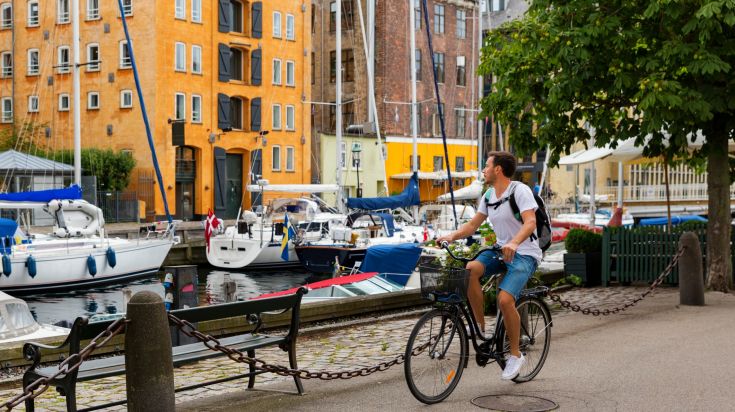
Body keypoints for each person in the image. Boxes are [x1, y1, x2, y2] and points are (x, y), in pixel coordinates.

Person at [436, 151, 541, 380]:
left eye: (486, 166)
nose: (483, 170)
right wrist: (450, 236)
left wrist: (514, 242)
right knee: (470, 270)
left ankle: (515, 355)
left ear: (498, 169)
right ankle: (480, 327)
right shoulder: (489, 195)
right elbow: (472, 226)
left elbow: (531, 222)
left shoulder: (519, 191)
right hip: (501, 251)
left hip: (524, 253)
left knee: (505, 299)